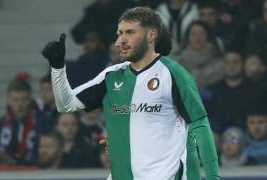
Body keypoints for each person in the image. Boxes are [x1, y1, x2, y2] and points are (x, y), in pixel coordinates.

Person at [42, 7, 219, 180]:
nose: (120, 41)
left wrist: (213, 177)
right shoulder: (111, 76)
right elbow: (65, 103)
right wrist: (57, 67)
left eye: (129, 33)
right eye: (119, 33)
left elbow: (200, 127)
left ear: (151, 35)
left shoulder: (174, 74)